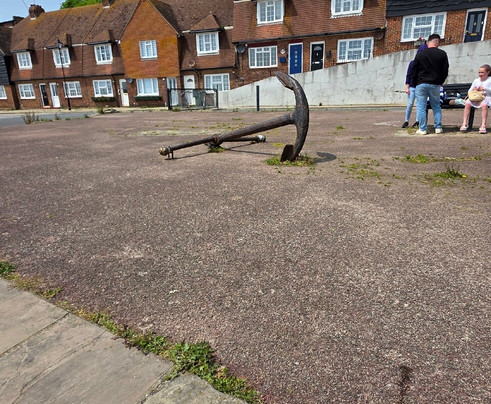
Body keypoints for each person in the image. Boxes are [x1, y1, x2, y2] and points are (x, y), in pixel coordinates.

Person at [411, 34, 449, 135]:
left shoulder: (421, 53)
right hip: (435, 83)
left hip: (421, 83)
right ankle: (438, 127)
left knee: (421, 107)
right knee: (436, 106)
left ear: (429, 42)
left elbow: (414, 69)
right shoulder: (442, 54)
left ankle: (423, 129)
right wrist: (440, 81)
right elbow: (445, 70)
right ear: (437, 41)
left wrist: (414, 83)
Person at [402, 43, 427, 128]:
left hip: (420, 86)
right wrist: (407, 87)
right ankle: (406, 121)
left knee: (419, 104)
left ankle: (417, 121)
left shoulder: (425, 64)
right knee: (410, 104)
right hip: (412, 87)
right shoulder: (412, 63)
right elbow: (408, 75)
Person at [460, 64, 491, 134]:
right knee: (467, 103)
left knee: (484, 105)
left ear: (488, 72)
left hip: (486, 97)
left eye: (482, 72)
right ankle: (464, 123)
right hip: (476, 97)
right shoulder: (476, 80)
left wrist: (485, 89)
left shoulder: (490, 80)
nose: (480, 74)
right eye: (479, 72)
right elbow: (469, 91)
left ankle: (483, 125)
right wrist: (474, 89)